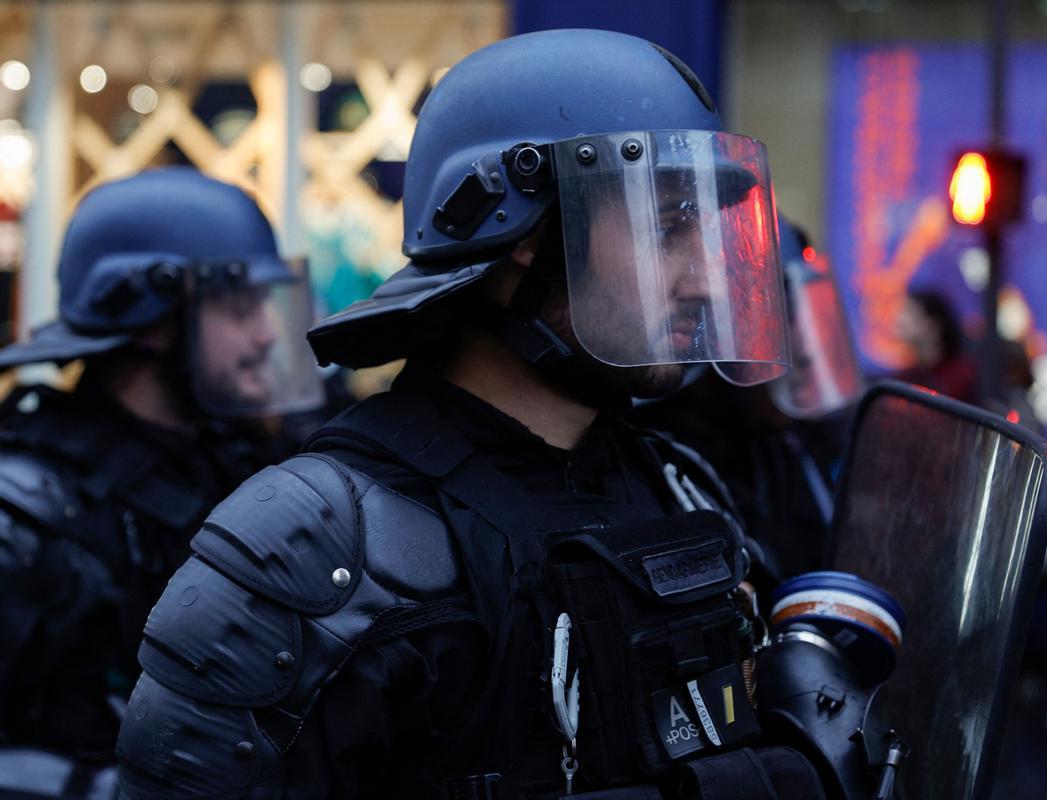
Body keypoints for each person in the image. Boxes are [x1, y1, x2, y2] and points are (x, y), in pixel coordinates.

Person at [115, 30, 829, 799]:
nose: (709, 283)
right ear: (522, 234)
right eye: (668, 225)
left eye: (713, 232)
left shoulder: (679, 489)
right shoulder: (312, 546)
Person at [0, 167, 322, 797]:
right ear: (150, 321)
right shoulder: (24, 516)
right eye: (238, 305)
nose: (265, 334)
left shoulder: (238, 466)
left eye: (266, 305)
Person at [630, 220, 862, 580]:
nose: (802, 352)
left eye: (799, 316)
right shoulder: (677, 459)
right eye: (778, 321)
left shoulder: (793, 442)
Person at [894, 289, 979, 403]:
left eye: (909, 311)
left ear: (933, 325)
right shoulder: (905, 377)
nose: (900, 319)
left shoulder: (964, 376)